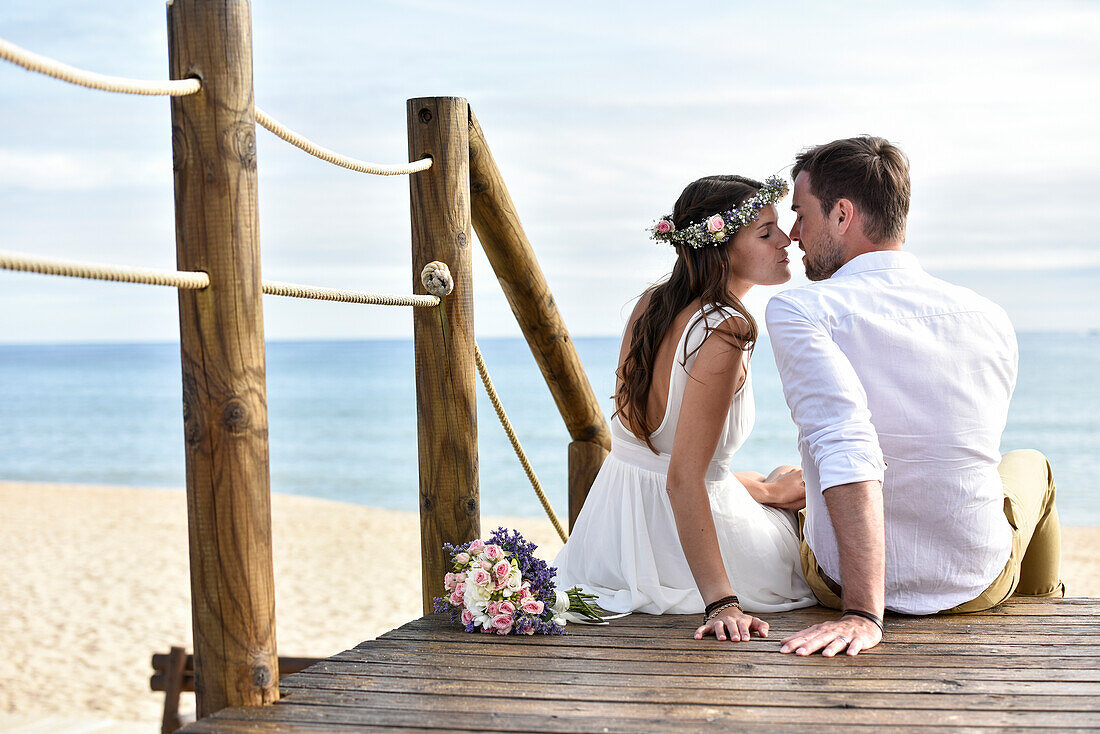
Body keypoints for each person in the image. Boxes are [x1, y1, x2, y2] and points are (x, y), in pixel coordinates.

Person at [765, 136, 1063, 658]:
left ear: (842, 214)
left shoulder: (802, 310)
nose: (794, 234)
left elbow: (846, 441)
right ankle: (1047, 610)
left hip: (844, 587)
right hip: (976, 583)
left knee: (792, 471)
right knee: (1032, 463)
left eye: (800, 214)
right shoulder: (988, 315)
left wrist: (861, 610)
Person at [553, 174, 816, 644]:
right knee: (810, 507)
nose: (787, 239)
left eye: (781, 225)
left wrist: (765, 491)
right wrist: (722, 602)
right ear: (721, 248)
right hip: (680, 552)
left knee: (781, 480)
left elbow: (664, 457)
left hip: (613, 534)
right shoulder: (727, 329)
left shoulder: (651, 304)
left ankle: (769, 493)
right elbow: (682, 477)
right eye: (765, 232)